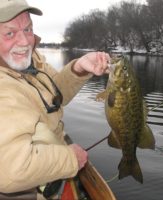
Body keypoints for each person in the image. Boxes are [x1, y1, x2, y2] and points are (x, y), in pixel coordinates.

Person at [0, 0, 110, 199]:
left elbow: (54, 94)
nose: (25, 42)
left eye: (28, 29)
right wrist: (70, 159)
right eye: (10, 33)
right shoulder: (3, 89)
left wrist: (79, 68)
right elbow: (10, 172)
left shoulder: (30, 60)